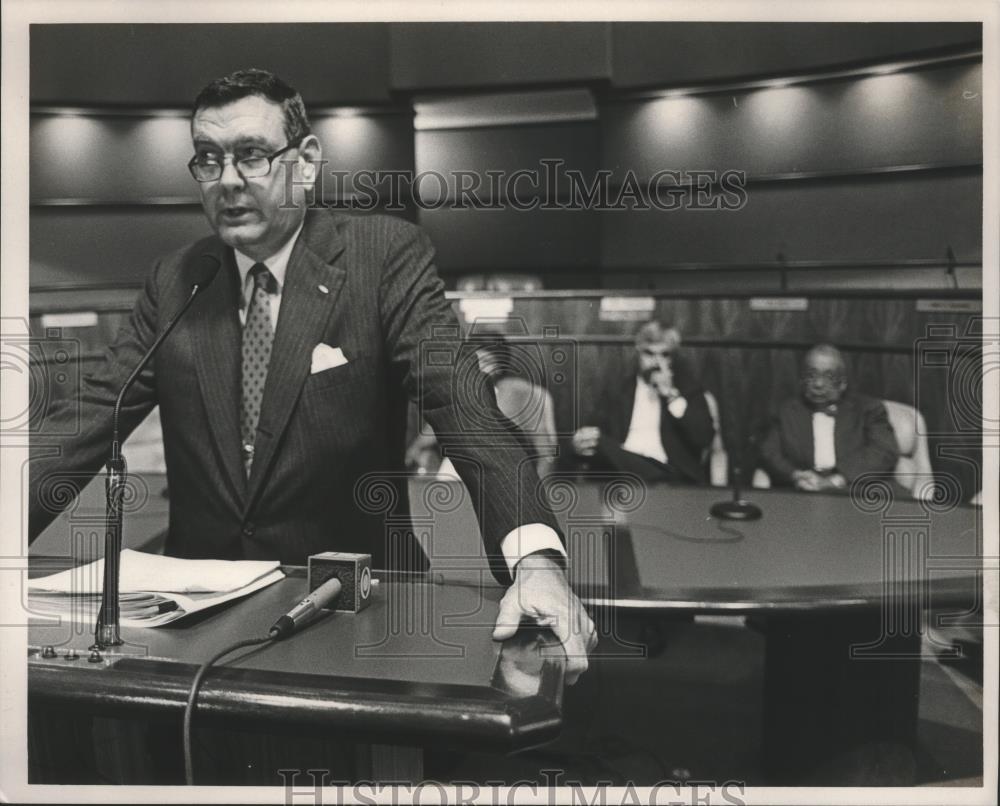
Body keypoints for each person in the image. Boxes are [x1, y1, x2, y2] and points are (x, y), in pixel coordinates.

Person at [28, 69, 595, 680]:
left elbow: (462, 404)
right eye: (209, 159)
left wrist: (535, 559)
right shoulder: (178, 278)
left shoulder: (384, 257)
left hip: (357, 612)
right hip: (197, 624)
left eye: (250, 155)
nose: (228, 181)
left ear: (306, 161)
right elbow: (86, 417)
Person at [569, 320, 715, 484]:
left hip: (669, 474)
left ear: (672, 358)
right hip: (622, 471)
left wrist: (671, 396)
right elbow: (595, 431)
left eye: (664, 355)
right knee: (596, 439)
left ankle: (653, 480)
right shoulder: (618, 390)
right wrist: (580, 441)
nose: (656, 362)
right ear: (638, 353)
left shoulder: (688, 389)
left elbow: (704, 439)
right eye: (649, 354)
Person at [406, 334, 558, 479]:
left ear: (499, 367)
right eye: (473, 363)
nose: (478, 369)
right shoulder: (457, 395)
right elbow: (419, 446)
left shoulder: (520, 395)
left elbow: (546, 454)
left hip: (503, 481)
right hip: (455, 482)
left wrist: (537, 496)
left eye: (486, 362)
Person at [759, 343, 900, 493]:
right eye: (811, 375)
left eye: (829, 376)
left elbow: (884, 452)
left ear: (843, 383)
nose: (818, 384)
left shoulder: (868, 409)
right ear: (801, 380)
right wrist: (795, 475)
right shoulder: (786, 411)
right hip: (802, 491)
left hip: (855, 490)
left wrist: (836, 480)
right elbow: (769, 452)